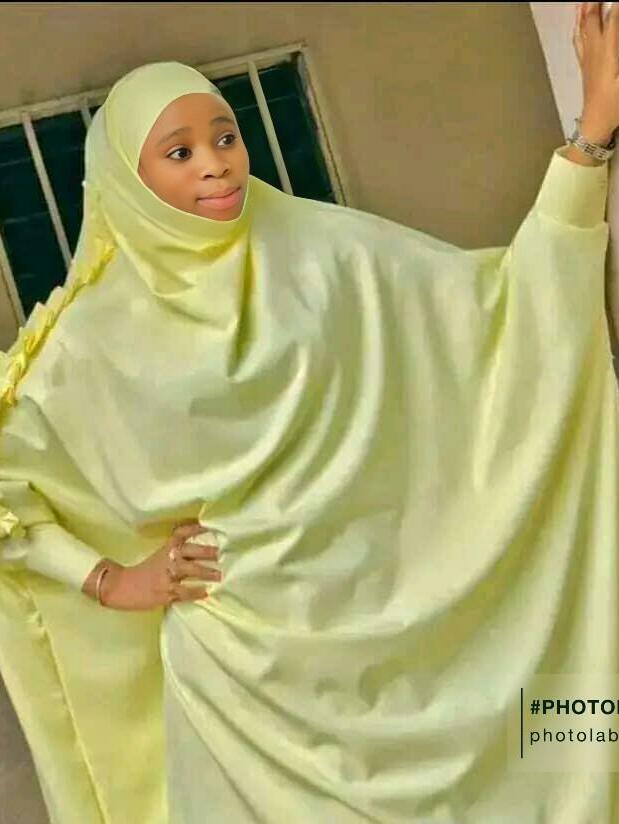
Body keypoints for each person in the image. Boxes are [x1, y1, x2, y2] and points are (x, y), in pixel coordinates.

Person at [2, 2, 619, 821]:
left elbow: (500, 315)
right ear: (125, 180)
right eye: (179, 152)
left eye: (225, 137)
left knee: (523, 759)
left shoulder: (323, 249)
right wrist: (110, 581)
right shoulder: (89, 338)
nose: (216, 165)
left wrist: (590, 138)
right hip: (249, 695)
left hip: (395, 619)